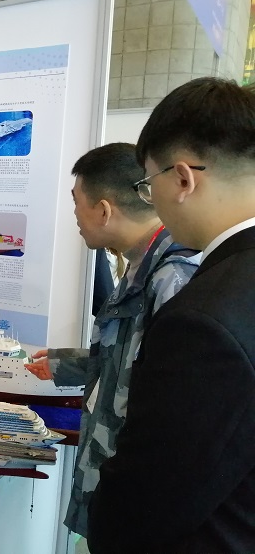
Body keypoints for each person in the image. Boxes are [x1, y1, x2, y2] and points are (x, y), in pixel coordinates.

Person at [88, 78, 255, 553]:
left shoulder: (203, 320)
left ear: (183, 179)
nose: (152, 201)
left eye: (148, 184)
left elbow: (147, 498)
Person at [24, 143, 200, 542]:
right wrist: (62, 362)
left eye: (76, 203)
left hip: (139, 504)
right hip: (114, 490)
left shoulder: (173, 280)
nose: (74, 215)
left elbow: (175, 411)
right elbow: (129, 357)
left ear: (103, 210)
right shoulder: (144, 267)